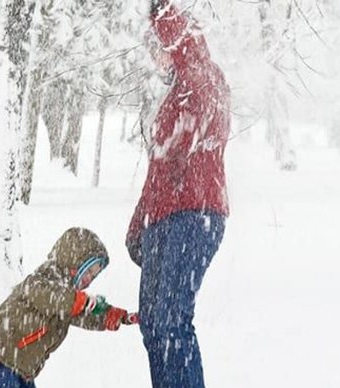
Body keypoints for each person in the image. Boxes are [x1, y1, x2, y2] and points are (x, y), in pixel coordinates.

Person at [125, 2, 231, 387]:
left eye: (157, 46)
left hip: (194, 214)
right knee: (152, 323)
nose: (154, 58)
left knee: (171, 321)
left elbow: (188, 51)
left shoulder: (203, 77)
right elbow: (157, 171)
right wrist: (139, 226)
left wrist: (160, 10)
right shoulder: (174, 97)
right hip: (163, 219)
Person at [0, 227, 138, 388]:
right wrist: (76, 301)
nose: (90, 279)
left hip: (23, 363)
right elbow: (42, 294)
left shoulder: (68, 300)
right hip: (2, 352)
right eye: (88, 271)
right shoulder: (47, 276)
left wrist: (110, 315)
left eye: (94, 275)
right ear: (72, 260)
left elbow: (82, 314)